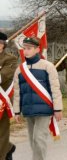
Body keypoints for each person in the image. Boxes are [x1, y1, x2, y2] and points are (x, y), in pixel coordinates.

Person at [13, 37, 63, 160]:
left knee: (39, 138)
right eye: (24, 48)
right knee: (32, 139)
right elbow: (17, 92)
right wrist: (17, 111)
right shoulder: (20, 70)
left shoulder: (47, 66)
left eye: (29, 48)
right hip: (28, 110)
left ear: (37, 49)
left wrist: (58, 109)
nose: (26, 51)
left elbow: (55, 89)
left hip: (44, 109)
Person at [0, 32, 17, 160]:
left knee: (2, 131)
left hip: (2, 100)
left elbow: (4, 76)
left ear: (3, 45)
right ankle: (8, 147)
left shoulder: (10, 59)